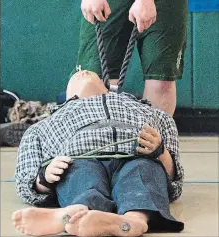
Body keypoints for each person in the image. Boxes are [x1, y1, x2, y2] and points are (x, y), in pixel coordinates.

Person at [13, 70, 184, 236]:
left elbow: (173, 180)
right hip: (79, 160)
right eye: (75, 76)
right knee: (79, 174)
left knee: (143, 171)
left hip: (137, 157)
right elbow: (25, 184)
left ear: (107, 87)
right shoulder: (40, 128)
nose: (83, 72)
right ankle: (78, 213)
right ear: (65, 97)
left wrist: (160, 152)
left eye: (92, 73)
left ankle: (133, 220)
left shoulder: (158, 116)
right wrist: (44, 177)